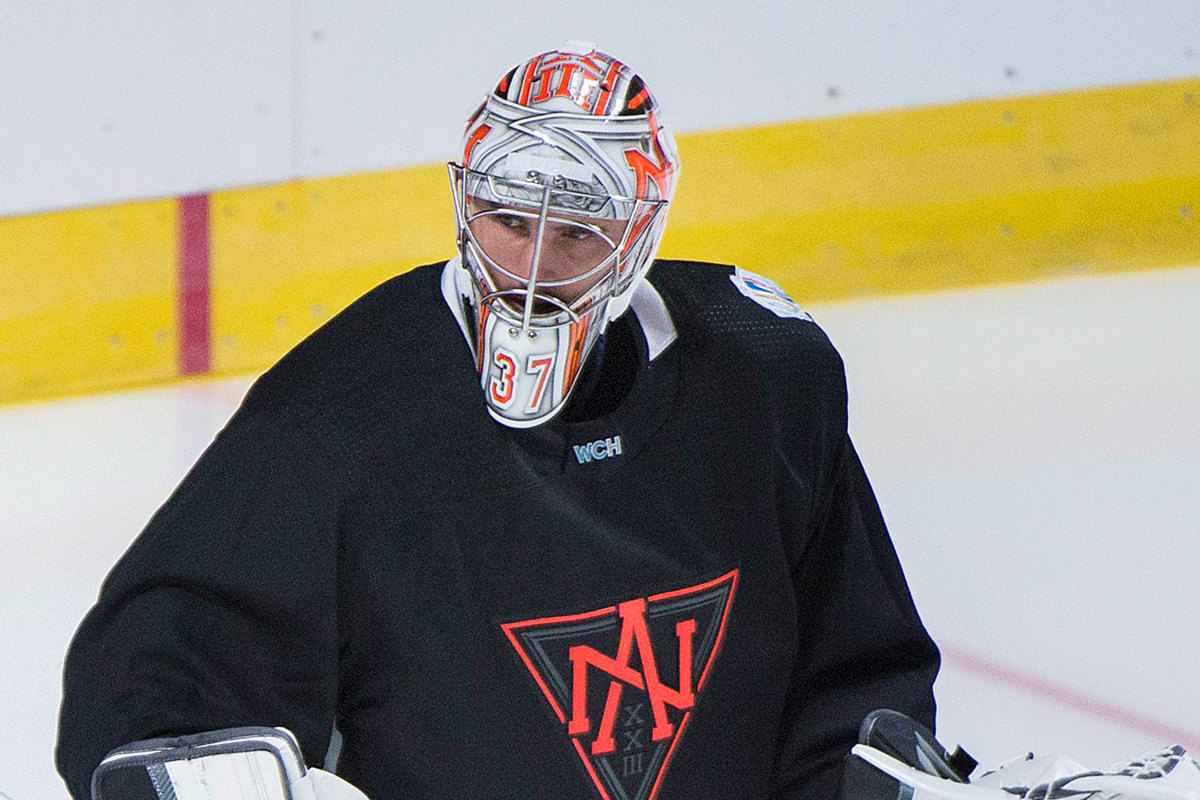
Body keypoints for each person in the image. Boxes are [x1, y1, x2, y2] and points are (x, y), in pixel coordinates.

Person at [56, 44, 940, 800]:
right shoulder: (346, 409)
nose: (529, 267)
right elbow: (161, 680)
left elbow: (856, 686)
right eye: (508, 220)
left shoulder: (764, 380)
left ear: (640, 238)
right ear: (465, 201)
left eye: (577, 234)